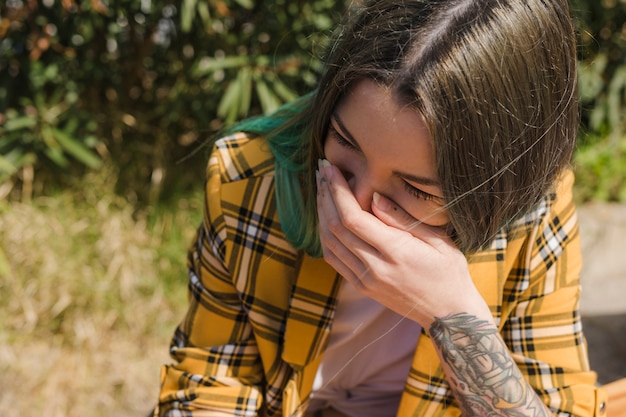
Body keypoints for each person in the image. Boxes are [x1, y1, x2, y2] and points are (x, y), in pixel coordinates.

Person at [153, 0, 608, 416]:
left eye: (415, 189)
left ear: (497, 188)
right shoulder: (250, 176)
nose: (358, 208)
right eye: (345, 144)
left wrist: (452, 312)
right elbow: (208, 384)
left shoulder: (532, 213)